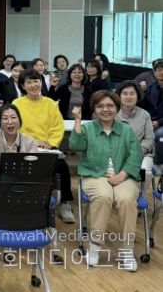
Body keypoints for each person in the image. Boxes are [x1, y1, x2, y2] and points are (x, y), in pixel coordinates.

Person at [69, 91, 143, 271]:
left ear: (117, 108)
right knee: (103, 196)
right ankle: (95, 246)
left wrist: (122, 174)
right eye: (100, 106)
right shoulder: (88, 128)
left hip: (124, 175)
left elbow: (136, 155)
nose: (105, 109)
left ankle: (127, 250)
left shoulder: (126, 130)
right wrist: (78, 120)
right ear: (94, 109)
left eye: (110, 106)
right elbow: (75, 146)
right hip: (95, 175)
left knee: (127, 200)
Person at [14, 70, 75, 223]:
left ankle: (64, 203)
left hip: (48, 147)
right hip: (26, 147)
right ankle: (30, 202)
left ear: (41, 82)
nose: (33, 85)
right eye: (28, 82)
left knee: (62, 167)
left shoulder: (50, 104)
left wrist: (51, 144)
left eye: (36, 81)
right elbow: (15, 128)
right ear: (23, 86)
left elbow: (57, 127)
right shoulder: (17, 104)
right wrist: (34, 142)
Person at [0, 103, 37, 185]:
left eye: (13, 117)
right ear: (0, 123)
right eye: (5, 118)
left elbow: (31, 168)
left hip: (20, 184)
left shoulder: (29, 141)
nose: (10, 122)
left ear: (19, 120)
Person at [116, 81, 154, 154]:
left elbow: (149, 139)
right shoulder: (110, 113)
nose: (128, 97)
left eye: (132, 94)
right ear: (119, 96)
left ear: (137, 96)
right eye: (125, 94)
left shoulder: (144, 115)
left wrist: (139, 151)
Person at [141, 59, 163, 133]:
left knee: (158, 133)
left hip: (160, 123)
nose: (162, 72)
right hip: (150, 120)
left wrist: (158, 122)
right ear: (154, 73)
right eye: (159, 70)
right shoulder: (151, 87)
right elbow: (143, 105)